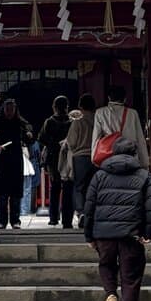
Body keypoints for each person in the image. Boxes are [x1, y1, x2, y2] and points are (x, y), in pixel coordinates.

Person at [82, 132, 151, 301]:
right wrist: (148, 233)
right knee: (131, 280)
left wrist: (89, 234)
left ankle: (110, 294)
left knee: (106, 265)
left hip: (104, 234)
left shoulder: (99, 175)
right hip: (130, 235)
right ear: (134, 154)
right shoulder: (144, 175)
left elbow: (89, 206)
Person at [0, 95, 33, 229]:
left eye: (12, 109)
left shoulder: (20, 122)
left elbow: (29, 131)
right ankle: (1, 221)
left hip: (16, 159)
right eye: (7, 109)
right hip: (2, 159)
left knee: (16, 193)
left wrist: (28, 134)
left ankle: (15, 220)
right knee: (2, 194)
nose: (9, 112)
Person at [92, 82, 149, 168]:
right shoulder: (132, 113)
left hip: (109, 157)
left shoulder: (100, 113)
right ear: (125, 99)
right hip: (130, 158)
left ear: (109, 98)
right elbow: (140, 139)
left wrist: (94, 157)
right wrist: (145, 162)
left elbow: (96, 138)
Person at [60, 93, 96, 227]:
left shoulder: (78, 121)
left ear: (81, 105)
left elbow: (72, 142)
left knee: (79, 187)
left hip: (80, 157)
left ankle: (81, 213)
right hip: (96, 157)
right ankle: (92, 212)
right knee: (93, 187)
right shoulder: (98, 119)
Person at [39, 96, 74, 228]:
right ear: (67, 107)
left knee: (54, 187)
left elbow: (41, 138)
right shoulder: (72, 122)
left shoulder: (49, 122)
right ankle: (67, 220)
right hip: (67, 157)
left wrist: (52, 144)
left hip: (53, 157)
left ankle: (53, 217)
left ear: (54, 107)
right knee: (68, 188)